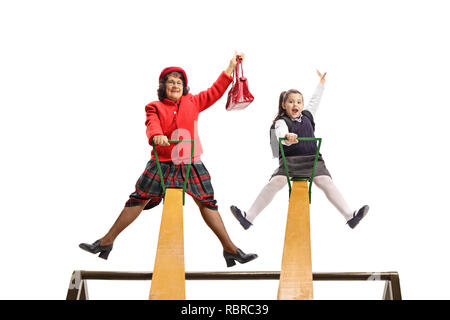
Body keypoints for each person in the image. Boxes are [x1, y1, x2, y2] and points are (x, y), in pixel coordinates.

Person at [80, 52, 257, 267]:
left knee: (207, 203)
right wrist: (157, 136)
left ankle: (230, 248)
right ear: (163, 86)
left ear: (185, 86)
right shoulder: (154, 106)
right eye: (171, 82)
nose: (175, 85)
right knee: (138, 198)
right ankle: (106, 242)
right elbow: (152, 124)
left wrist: (230, 68)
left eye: (179, 82)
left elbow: (215, 91)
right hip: (162, 164)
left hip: (191, 163)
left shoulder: (193, 102)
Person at [230, 70, 369, 230]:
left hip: (312, 160)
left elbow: (315, 100)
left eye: (298, 102)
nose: (295, 105)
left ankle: (349, 215)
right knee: (276, 182)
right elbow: (281, 133)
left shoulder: (308, 115)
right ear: (284, 105)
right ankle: (249, 217)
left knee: (325, 181)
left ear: (302, 105)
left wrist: (321, 84)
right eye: (290, 102)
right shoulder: (281, 122)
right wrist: (288, 137)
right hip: (290, 162)